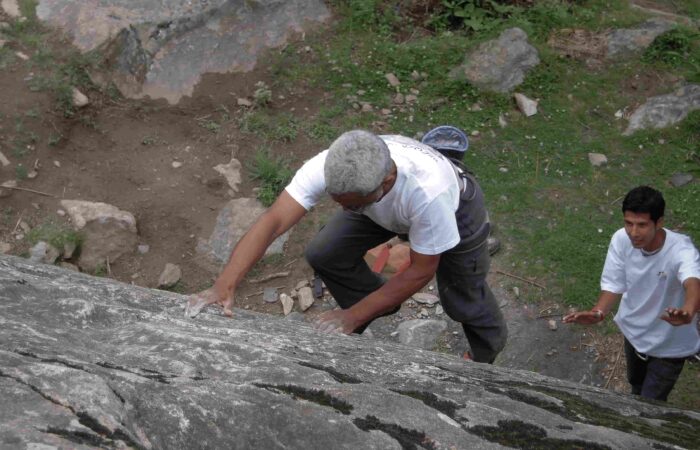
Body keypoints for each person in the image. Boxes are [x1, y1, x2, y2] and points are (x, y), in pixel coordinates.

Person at [186, 129, 507, 363]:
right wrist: (223, 284)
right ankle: (378, 303)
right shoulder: (334, 165)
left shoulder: (428, 195)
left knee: (463, 298)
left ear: (383, 184)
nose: (342, 208)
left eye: (350, 204)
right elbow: (274, 220)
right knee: (325, 251)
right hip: (389, 208)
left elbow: (421, 271)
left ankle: (484, 355)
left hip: (456, 213)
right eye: (337, 201)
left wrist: (350, 317)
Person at [563, 186, 700, 401]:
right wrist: (598, 312)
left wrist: (689, 310)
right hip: (634, 334)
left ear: (659, 222)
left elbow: (693, 281)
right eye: (629, 223)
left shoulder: (681, 250)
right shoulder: (621, 239)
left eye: (642, 225)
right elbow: (614, 283)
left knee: (650, 402)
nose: (634, 233)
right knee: (636, 387)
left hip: (668, 346)